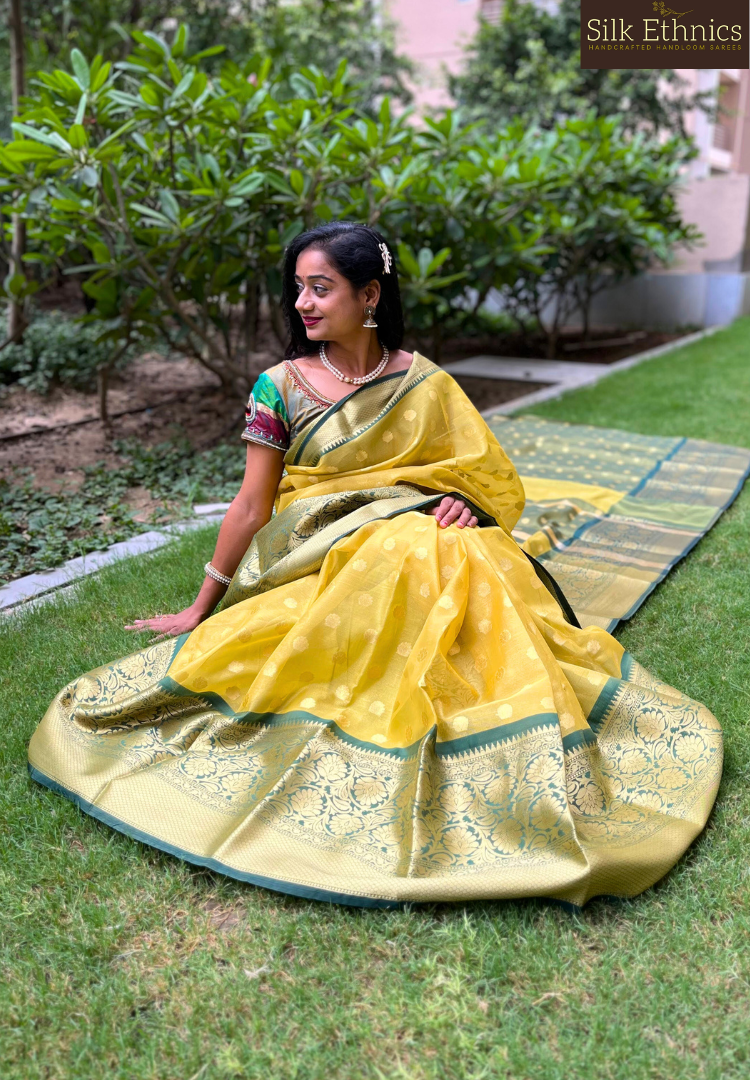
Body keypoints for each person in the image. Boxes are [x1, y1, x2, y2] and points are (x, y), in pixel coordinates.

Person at [28, 222, 722, 909]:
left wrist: (458, 503)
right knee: (408, 544)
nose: (302, 303)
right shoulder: (280, 386)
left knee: (452, 543)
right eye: (297, 288)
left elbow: (483, 479)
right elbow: (250, 504)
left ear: (369, 295)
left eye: (321, 288)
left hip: (424, 540)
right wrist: (201, 604)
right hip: (317, 544)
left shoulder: (423, 382)